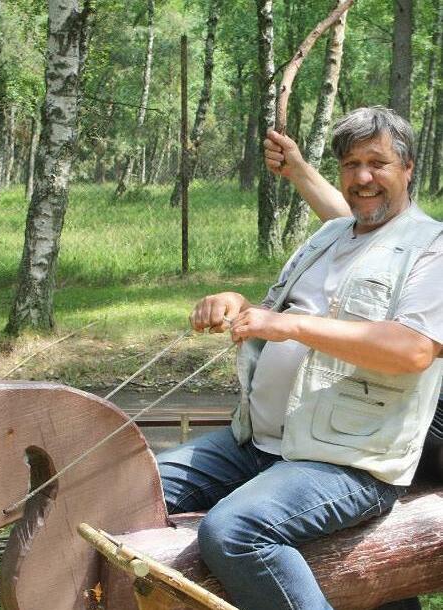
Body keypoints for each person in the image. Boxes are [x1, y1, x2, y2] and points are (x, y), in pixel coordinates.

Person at [157, 107, 443, 610]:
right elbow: (275, 315)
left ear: (408, 167)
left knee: (235, 531)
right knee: (135, 485)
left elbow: (413, 349)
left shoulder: (432, 248)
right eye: (351, 164)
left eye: (377, 162)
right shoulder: (329, 235)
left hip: (350, 460)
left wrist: (289, 326)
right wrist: (236, 305)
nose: (363, 177)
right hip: (258, 441)